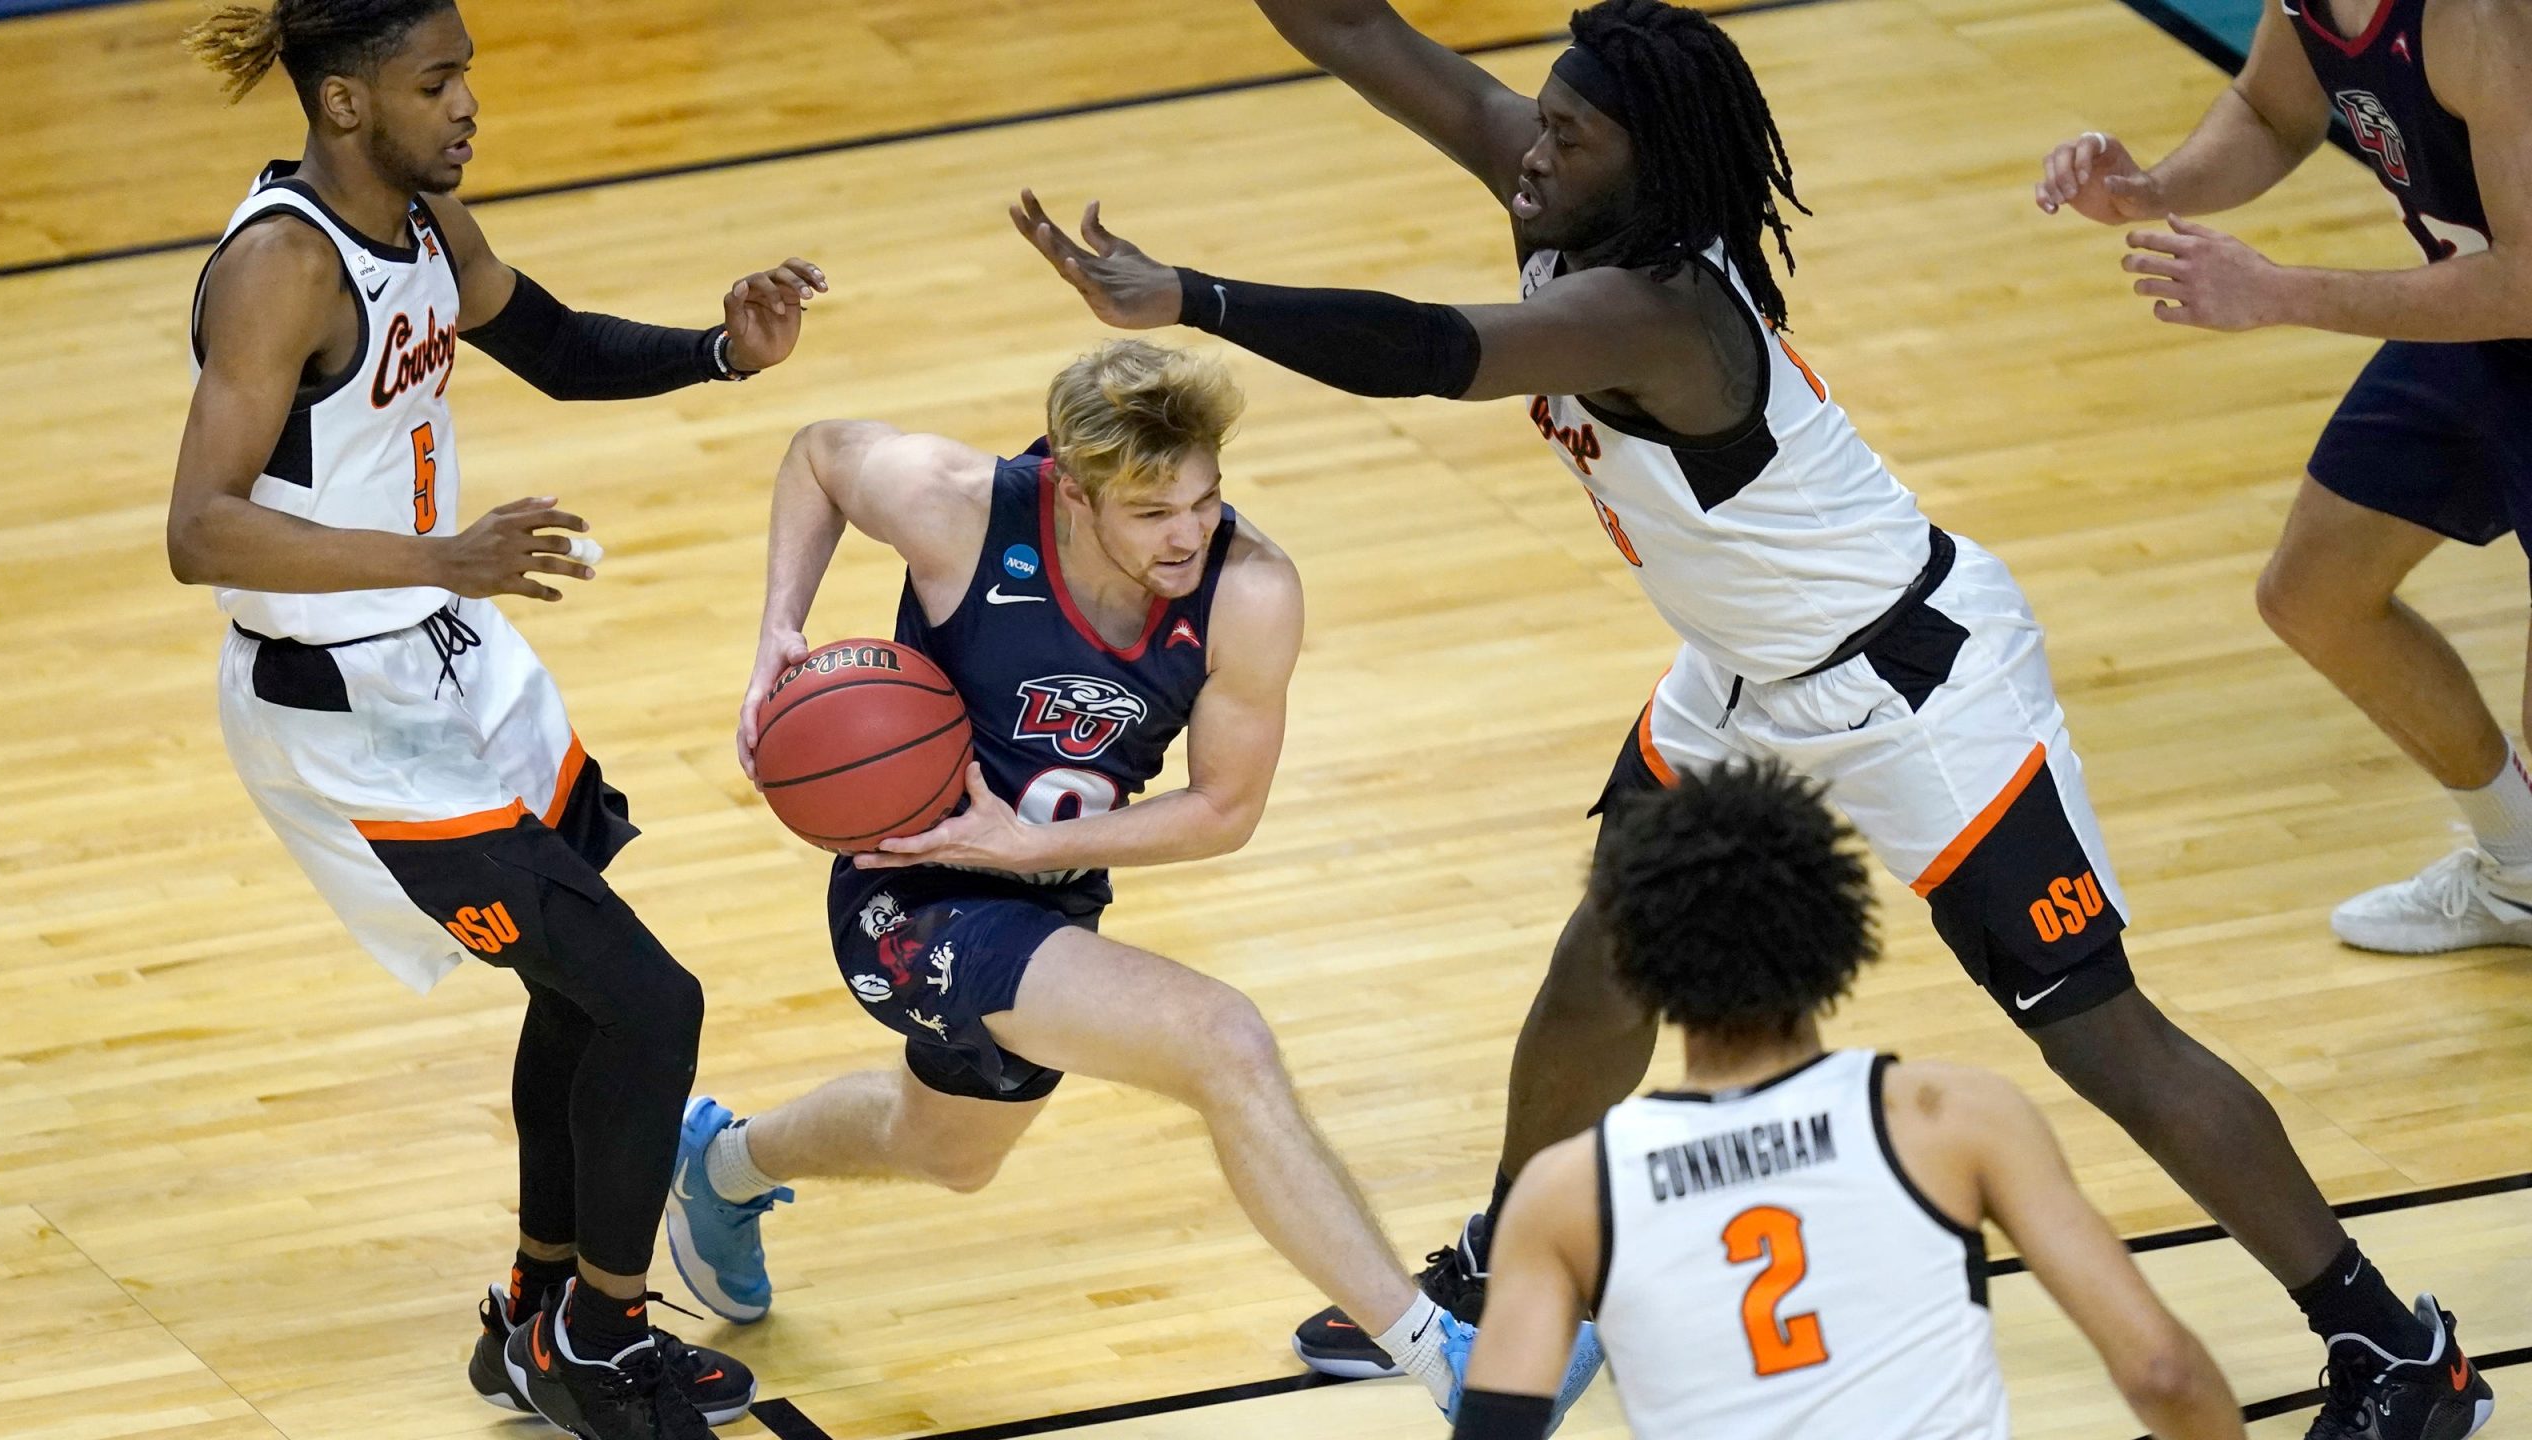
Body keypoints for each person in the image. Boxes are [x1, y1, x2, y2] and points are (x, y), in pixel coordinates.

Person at [1009, 2, 2489, 1435]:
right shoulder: (1572, 190)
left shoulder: (1659, 311)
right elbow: (1360, 34)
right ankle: (1518, 1274)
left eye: (1571, 133)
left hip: (1911, 686)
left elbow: (1429, 351)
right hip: (1742, 675)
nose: (1534, 146)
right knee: (1599, 978)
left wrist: (1192, 299)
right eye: (1548, 114)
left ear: (1642, 163)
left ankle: (2389, 1343)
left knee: (2095, 1033)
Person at [662, 338, 1599, 1423]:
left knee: (946, 1149)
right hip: (907, 890)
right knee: (1223, 1040)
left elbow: (1224, 811)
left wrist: (1027, 851)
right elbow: (819, 456)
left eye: (1204, 499)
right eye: (1154, 510)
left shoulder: (1249, 591)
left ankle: (722, 1163)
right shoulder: (960, 506)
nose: (1189, 532)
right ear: (1071, 485)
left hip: (1046, 887)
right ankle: (1455, 1370)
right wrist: (781, 625)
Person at [170, 3, 823, 1436]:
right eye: (437, 81)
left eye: (467, 73)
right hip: (338, 702)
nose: (468, 105)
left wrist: (723, 353)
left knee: (590, 991)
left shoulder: (428, 219)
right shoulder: (281, 268)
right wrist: (437, 556)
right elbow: (201, 530)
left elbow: (558, 344)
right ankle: (598, 1336)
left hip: (443, 650)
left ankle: (542, 1312)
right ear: (345, 104)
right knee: (653, 1003)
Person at [1452, 760, 2247, 1440]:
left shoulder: (1567, 1193)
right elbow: (2162, 1372)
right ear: (1841, 934)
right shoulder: (1952, 1120)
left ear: (1631, 959)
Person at [2035, 0, 2532, 956]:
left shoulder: (2481, 17)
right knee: (2314, 591)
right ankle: (2521, 872)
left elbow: (2526, 279)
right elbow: (2272, 113)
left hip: (2511, 297)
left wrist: (2276, 291)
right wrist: (2146, 188)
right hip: (2483, 329)